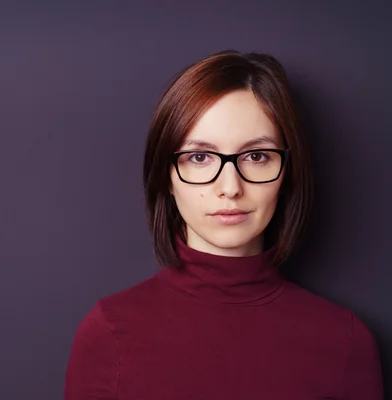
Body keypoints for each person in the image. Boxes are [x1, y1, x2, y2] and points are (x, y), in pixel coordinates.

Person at [64, 50, 384, 399]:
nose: (231, 187)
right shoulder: (109, 334)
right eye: (199, 157)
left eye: (256, 156)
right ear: (166, 177)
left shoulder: (345, 343)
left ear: (287, 173)